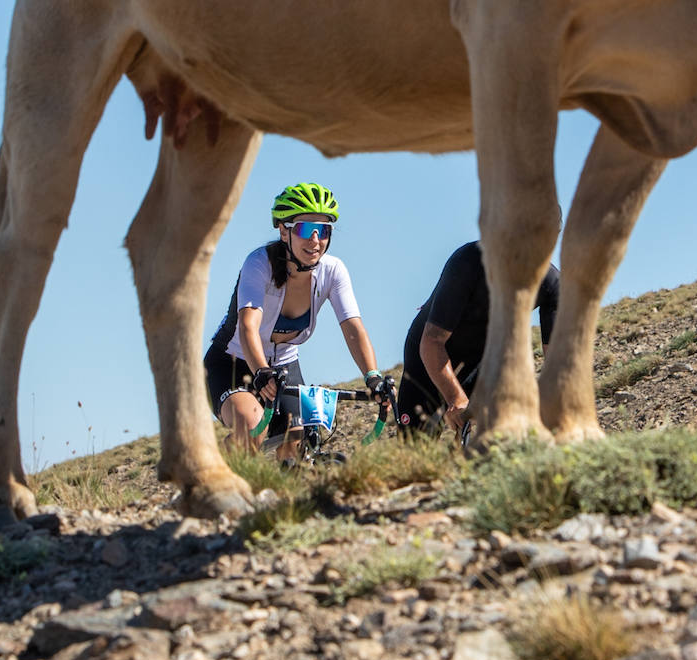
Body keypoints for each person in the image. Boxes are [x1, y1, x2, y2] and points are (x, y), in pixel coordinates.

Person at [203, 182, 392, 461]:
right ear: (284, 230)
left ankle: (281, 499)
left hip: (285, 366)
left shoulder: (333, 271)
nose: (315, 239)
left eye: (324, 230)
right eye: (305, 229)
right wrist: (261, 372)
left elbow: (353, 328)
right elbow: (248, 327)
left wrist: (372, 377)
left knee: (297, 439)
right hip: (233, 362)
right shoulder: (259, 264)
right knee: (251, 425)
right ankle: (207, 476)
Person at [395, 241, 559, 436]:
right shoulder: (469, 261)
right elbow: (432, 342)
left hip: (482, 358)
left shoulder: (552, 284)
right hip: (429, 354)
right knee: (417, 445)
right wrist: (455, 397)